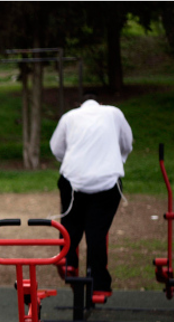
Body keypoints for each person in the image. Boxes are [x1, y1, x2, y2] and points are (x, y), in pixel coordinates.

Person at [49, 94, 133, 294]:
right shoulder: (114, 113)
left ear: (79, 105)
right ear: (101, 103)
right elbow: (127, 143)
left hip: (73, 181)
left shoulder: (69, 116)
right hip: (107, 181)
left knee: (70, 224)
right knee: (97, 231)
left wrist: (74, 161)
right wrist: (117, 157)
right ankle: (99, 281)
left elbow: (56, 148)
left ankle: (69, 262)